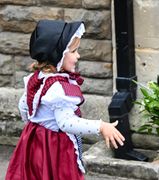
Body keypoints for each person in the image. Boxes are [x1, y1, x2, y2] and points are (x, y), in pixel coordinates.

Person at [5, 20, 125, 179]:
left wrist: (38, 125)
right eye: (74, 51)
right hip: (56, 148)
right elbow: (66, 123)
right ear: (58, 56)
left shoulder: (37, 78)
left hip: (33, 143)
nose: (78, 55)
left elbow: (24, 108)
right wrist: (101, 127)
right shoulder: (58, 90)